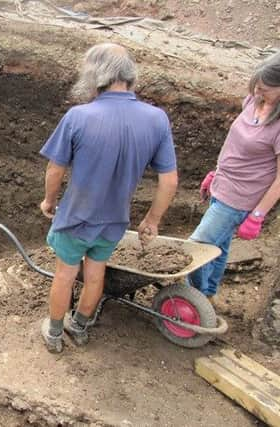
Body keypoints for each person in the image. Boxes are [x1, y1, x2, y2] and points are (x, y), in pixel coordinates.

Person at [39, 43, 178, 353]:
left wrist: (49, 201)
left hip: (76, 217)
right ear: (129, 75)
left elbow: (55, 169)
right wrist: (152, 220)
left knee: (64, 275)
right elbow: (169, 180)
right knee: (95, 273)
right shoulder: (156, 119)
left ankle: (54, 333)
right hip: (115, 220)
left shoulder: (79, 116)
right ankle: (81, 327)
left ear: (95, 75)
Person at [189, 52, 280, 299]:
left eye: (265, 89)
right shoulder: (252, 101)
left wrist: (257, 215)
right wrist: (215, 173)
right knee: (218, 246)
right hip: (222, 187)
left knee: (195, 247)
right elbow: (234, 144)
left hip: (240, 199)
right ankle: (206, 294)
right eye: (256, 87)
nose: (258, 93)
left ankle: (190, 299)